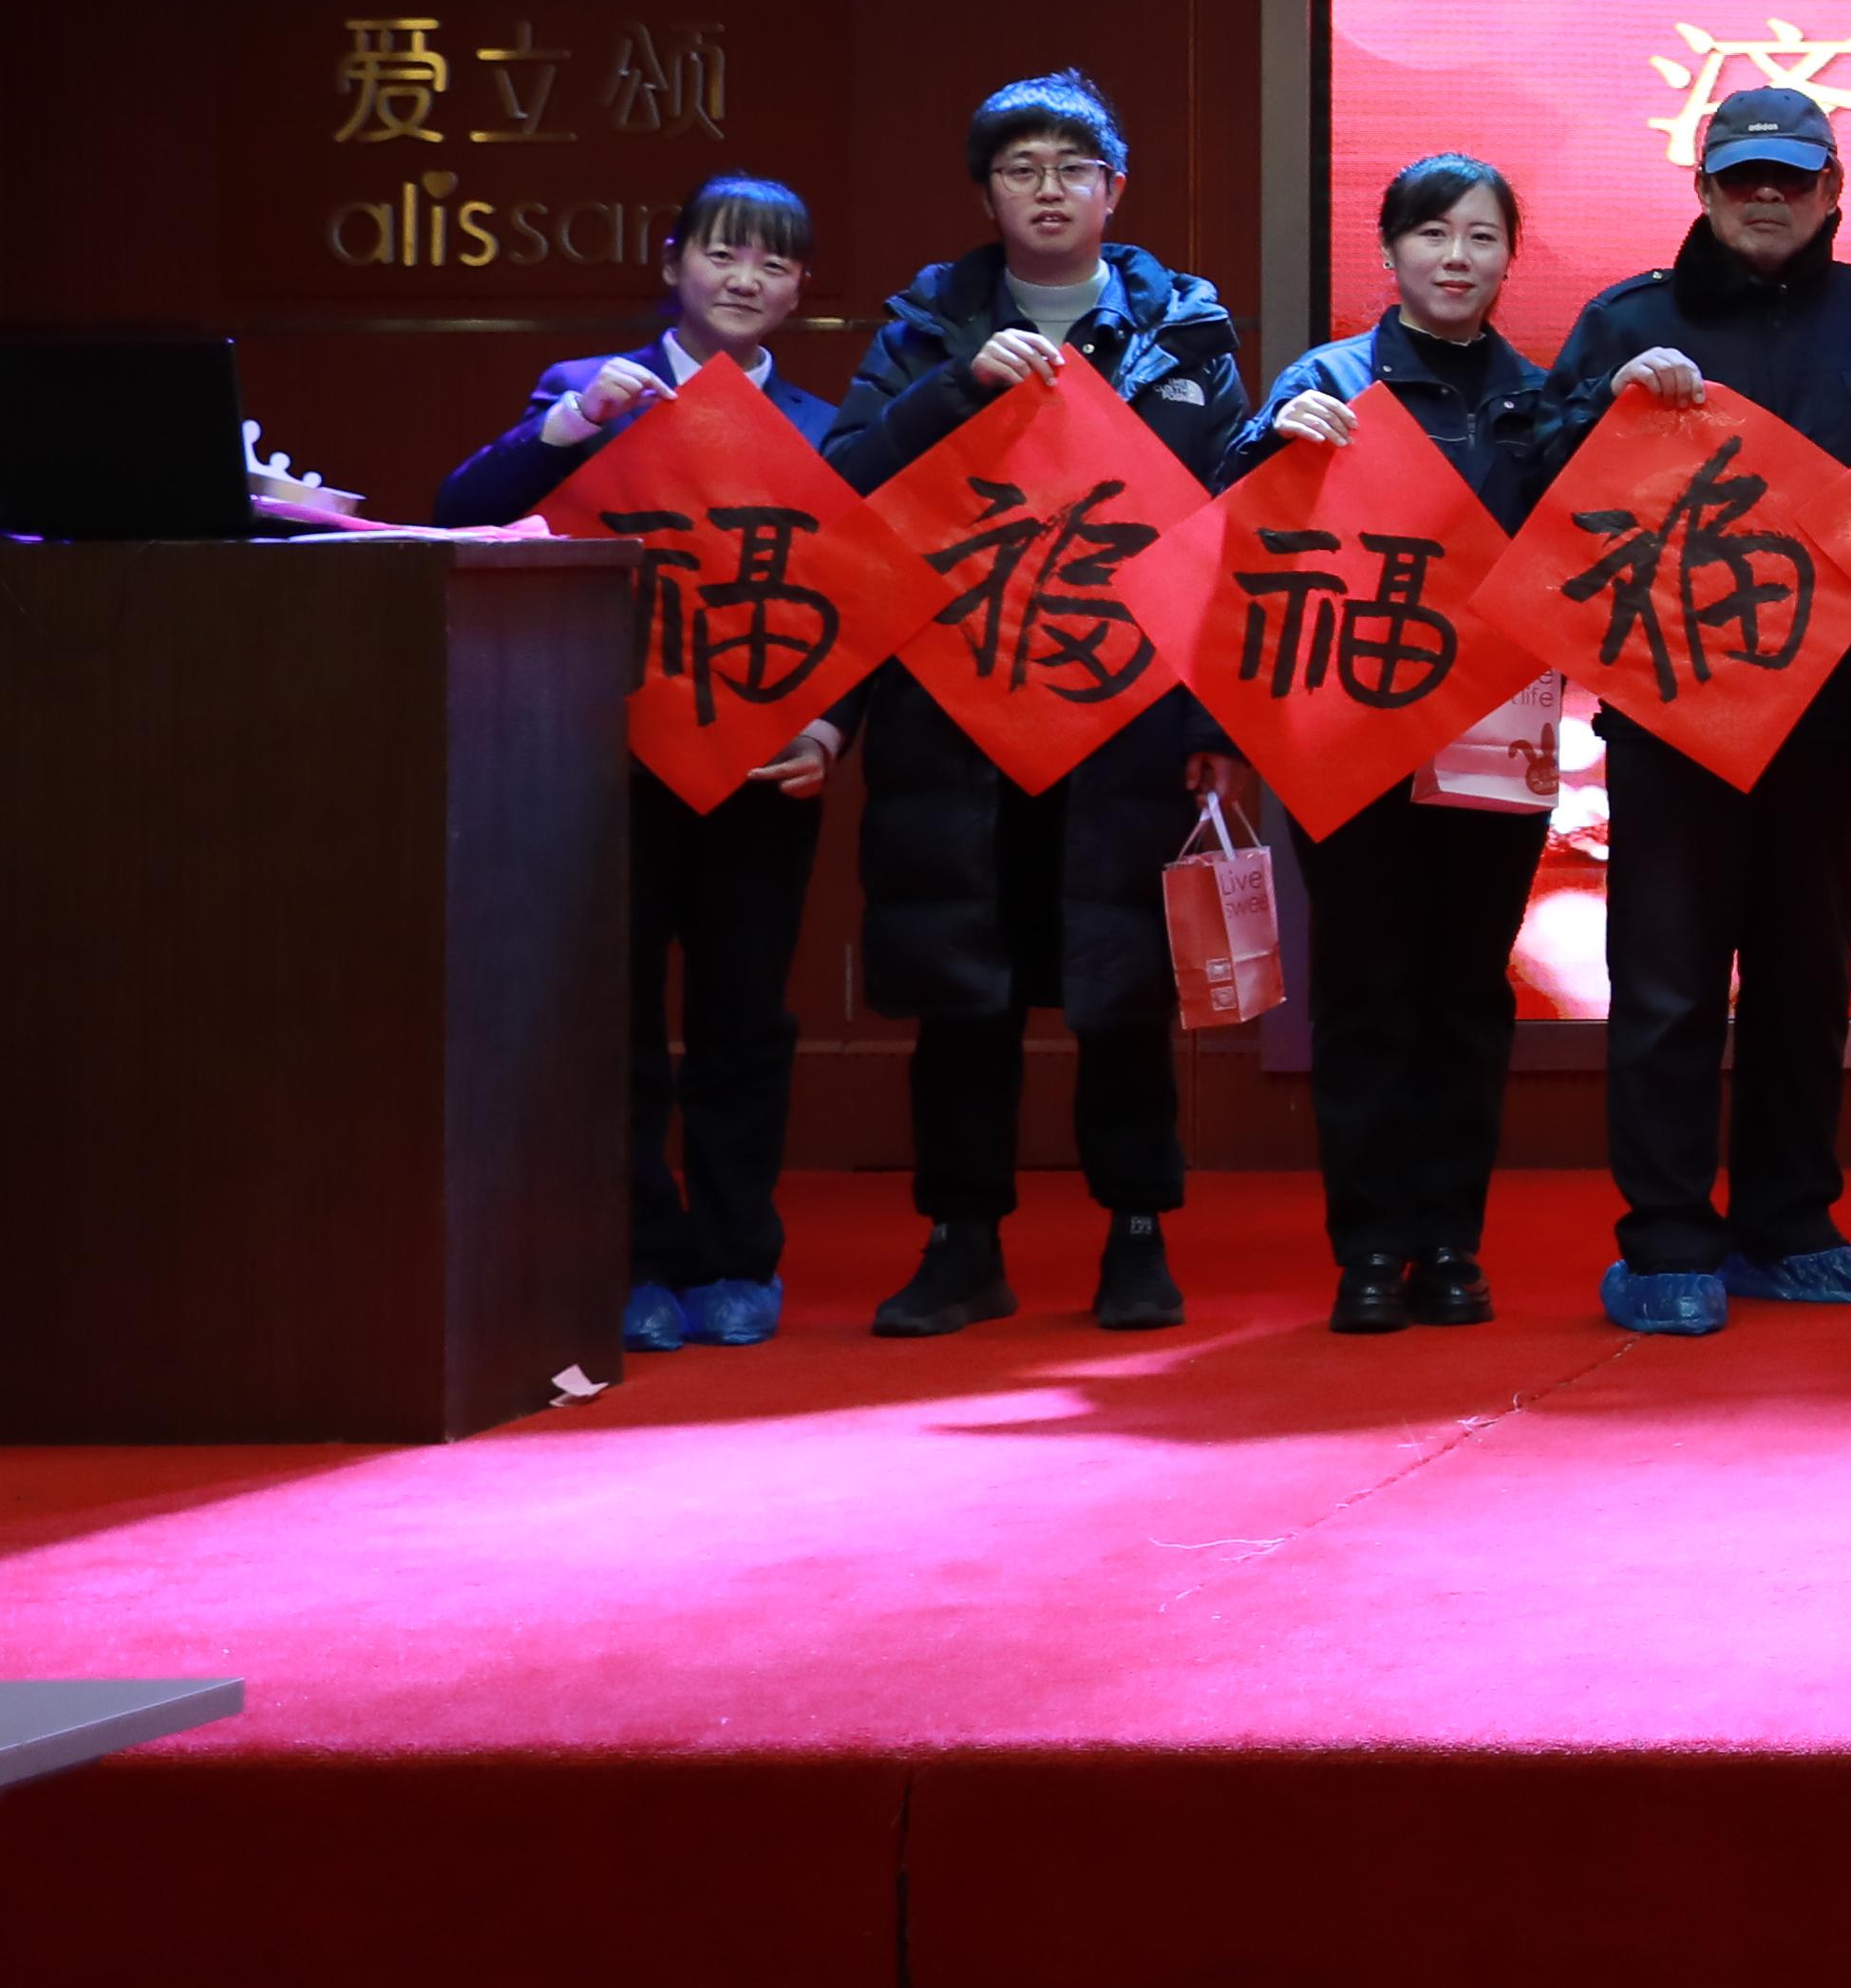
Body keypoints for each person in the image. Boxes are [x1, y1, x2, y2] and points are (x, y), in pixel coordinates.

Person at [831, 70, 1251, 1341]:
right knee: (965, 991)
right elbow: (844, 493)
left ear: (1116, 190)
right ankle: (961, 1242)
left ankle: (1138, 1233)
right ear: (987, 195)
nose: (1050, 189)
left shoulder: (1185, 334)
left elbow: (1227, 538)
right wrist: (956, 389)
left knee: (1124, 992)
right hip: (957, 714)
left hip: (1125, 716)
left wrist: (1212, 728)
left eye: (1074, 168)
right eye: (1022, 169)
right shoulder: (926, 328)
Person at [1530, 82, 1851, 1335]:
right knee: (1667, 981)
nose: (1767, 197)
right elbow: (1541, 495)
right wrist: (1602, 409)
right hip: (1670, 715)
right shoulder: (1627, 321)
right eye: (1743, 177)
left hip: (1836, 716)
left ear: (1833, 191)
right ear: (1702, 190)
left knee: (1807, 978)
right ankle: (1663, 1242)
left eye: (1792, 178)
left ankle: (1789, 1227)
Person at [433, 170, 850, 1352]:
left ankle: (739, 1255)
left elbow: (863, 602)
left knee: (742, 1021)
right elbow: (462, 507)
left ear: (800, 288)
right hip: (604, 765)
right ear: (673, 263)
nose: (745, 278)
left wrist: (829, 730)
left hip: (762, 770)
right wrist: (572, 425)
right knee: (613, 1023)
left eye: (772, 262)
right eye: (723, 252)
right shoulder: (588, 389)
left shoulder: (828, 427)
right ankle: (638, 1258)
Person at [1231, 153, 1563, 1334]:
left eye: (1481, 237)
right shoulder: (1326, 381)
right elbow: (1234, 535)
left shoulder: (1541, 399)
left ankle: (1451, 1241)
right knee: (1364, 986)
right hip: (1349, 727)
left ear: (1508, 258)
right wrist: (1271, 442)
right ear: (1388, 250)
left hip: (1494, 731)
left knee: (1467, 987)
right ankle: (1370, 1245)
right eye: (1431, 233)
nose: (1455, 257)